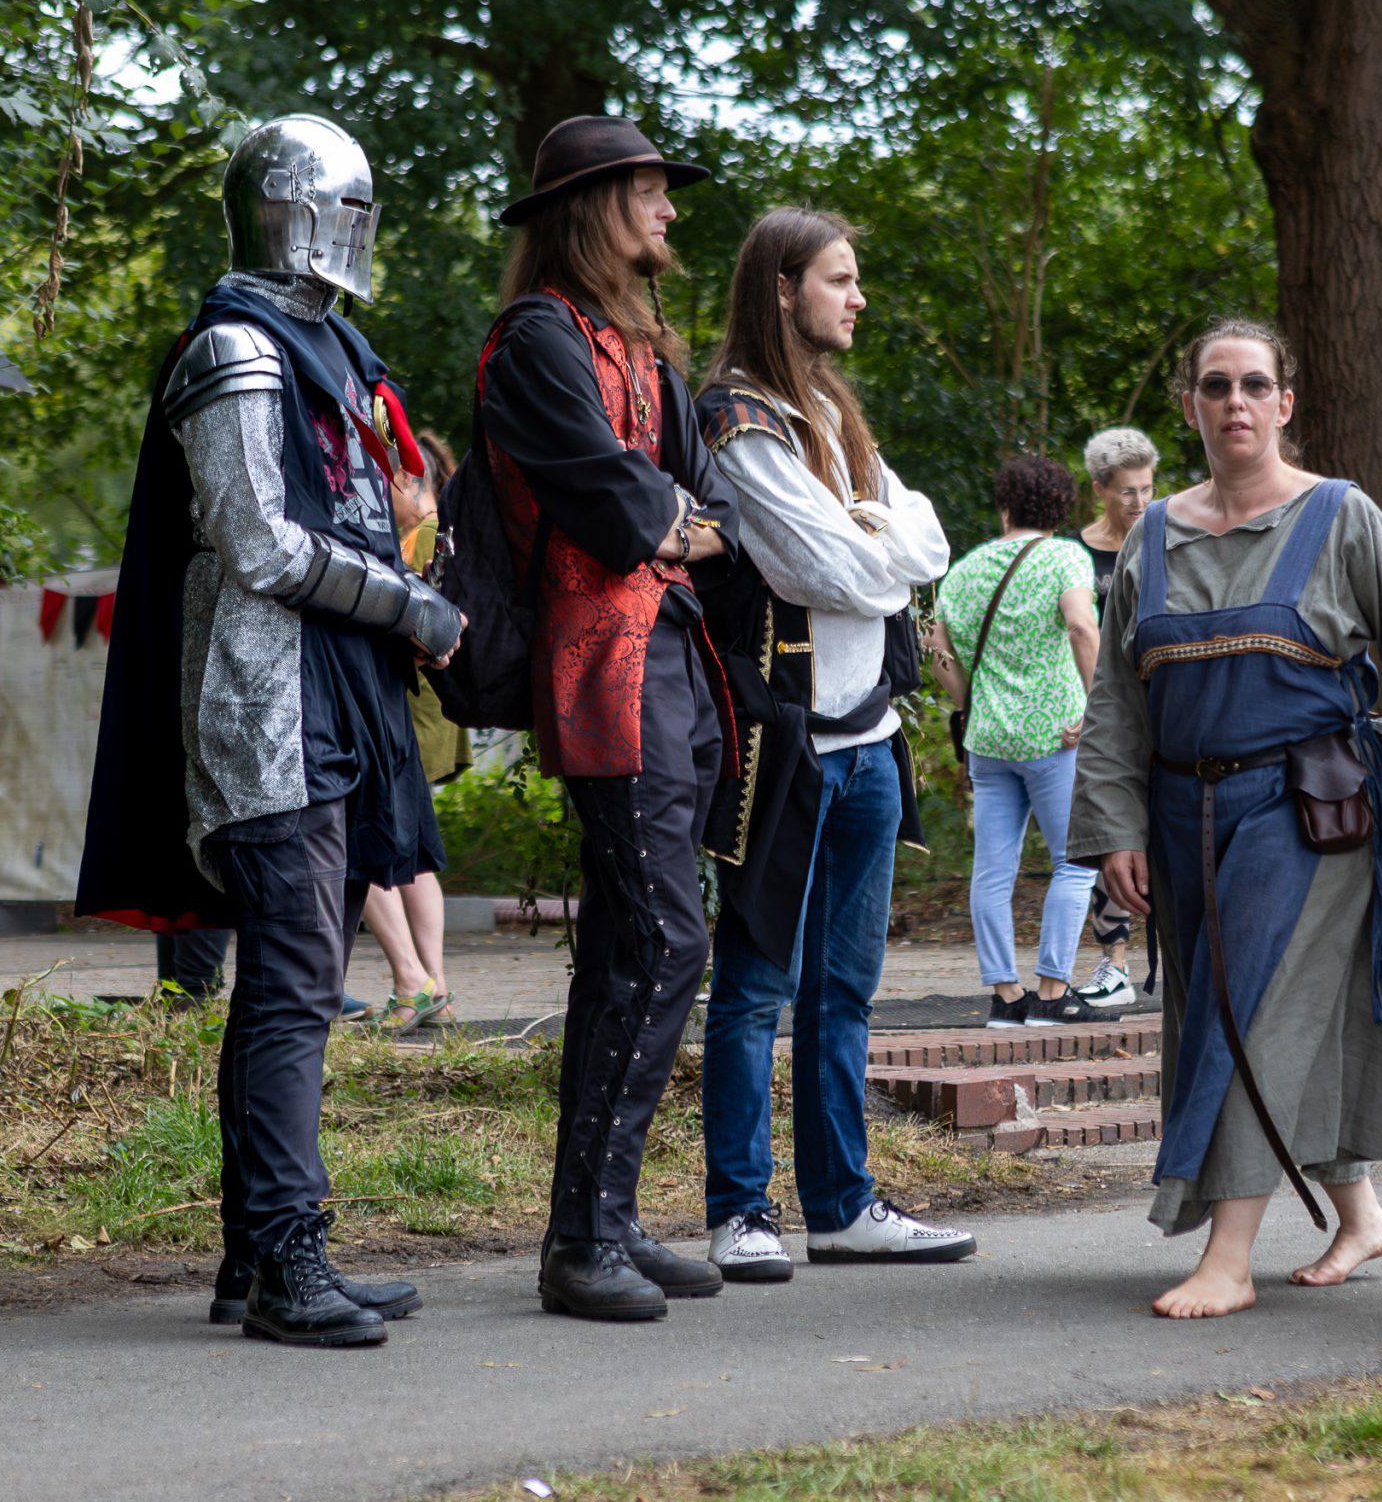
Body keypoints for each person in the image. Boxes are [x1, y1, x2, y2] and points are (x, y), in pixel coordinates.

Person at [76, 114, 451, 1348]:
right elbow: (258, 544)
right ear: (296, 212)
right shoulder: (234, 346)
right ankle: (289, 1261)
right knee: (293, 985)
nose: (357, 233)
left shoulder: (335, 349)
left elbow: (350, 517)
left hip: (333, 695)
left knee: (295, 982)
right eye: (346, 208)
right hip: (261, 700)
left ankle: (255, 1259)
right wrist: (409, 604)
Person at [1070, 318, 1382, 1320]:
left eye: (1254, 384)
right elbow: (1118, 700)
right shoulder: (1152, 537)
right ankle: (1360, 1212)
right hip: (1183, 816)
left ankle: (1229, 1256)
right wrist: (1115, 826)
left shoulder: (1341, 516)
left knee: (1251, 1011)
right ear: (1190, 406)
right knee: (1251, 1010)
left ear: (1284, 402)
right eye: (1215, 386)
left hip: (1311, 809)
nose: (1236, 402)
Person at [479, 116, 743, 1320]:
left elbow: (709, 505)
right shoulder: (536, 339)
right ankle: (581, 1238)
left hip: (672, 660)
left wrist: (680, 523)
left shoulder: (642, 348)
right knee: (662, 939)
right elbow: (626, 504)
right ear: (595, 208)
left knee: (646, 945)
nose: (670, 210)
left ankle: (606, 1220)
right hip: (604, 670)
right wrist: (674, 524)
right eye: (648, 191)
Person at [691, 206, 974, 1282]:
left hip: (872, 743)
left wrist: (871, 536)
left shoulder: (830, 409)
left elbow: (927, 538)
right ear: (782, 288)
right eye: (839, 279)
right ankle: (738, 1211)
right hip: (788, 749)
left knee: (843, 991)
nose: (858, 298)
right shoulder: (736, 418)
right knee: (754, 985)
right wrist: (872, 539)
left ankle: (842, 1205)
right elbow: (827, 571)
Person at [933, 457, 1120, 1030]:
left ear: (1005, 506)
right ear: (1060, 509)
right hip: (1057, 735)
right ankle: (1052, 993)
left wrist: (970, 703)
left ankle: (1006, 996)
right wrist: (1096, 707)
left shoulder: (964, 570)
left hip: (989, 741)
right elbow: (1083, 627)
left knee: (992, 871)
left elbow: (937, 649)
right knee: (1074, 863)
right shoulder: (1066, 557)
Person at [359, 434, 473, 1035]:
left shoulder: (425, 536)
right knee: (413, 847)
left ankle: (414, 982)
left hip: (406, 706)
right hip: (410, 708)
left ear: (410, 481)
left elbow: (423, 618)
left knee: (366, 841)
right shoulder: (430, 532)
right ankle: (436, 988)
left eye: (386, 482)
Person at [1071, 427, 1160, 1009]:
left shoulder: (1167, 538)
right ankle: (1116, 964)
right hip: (1098, 709)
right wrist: (1087, 707)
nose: (1139, 501)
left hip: (1160, 708)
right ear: (1100, 489)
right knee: (1111, 832)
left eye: (1148, 488)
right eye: (1127, 491)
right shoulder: (1075, 553)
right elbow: (1073, 633)